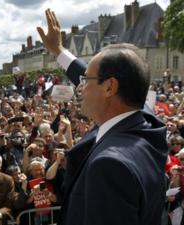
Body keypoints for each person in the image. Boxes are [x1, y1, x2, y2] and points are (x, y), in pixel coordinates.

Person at [36, 9, 168, 225]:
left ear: (109, 87)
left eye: (86, 80)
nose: (80, 88)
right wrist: (59, 51)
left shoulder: (109, 165)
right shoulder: (145, 120)